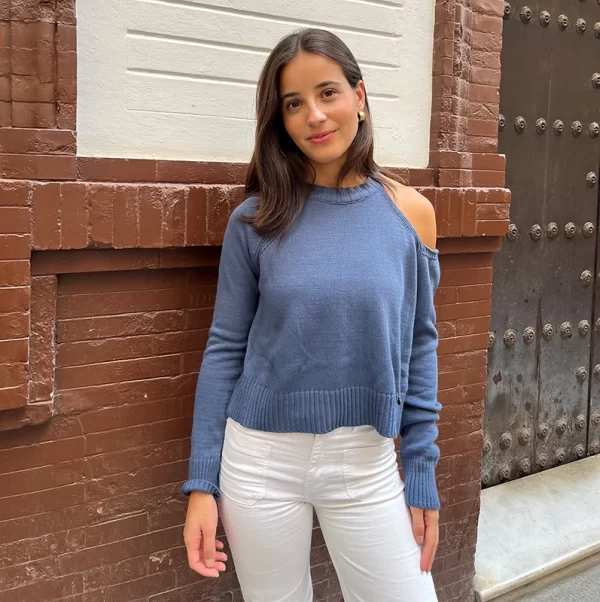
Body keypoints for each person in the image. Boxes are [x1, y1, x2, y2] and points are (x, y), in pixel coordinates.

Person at [182, 27, 441, 602]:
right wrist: (202, 484)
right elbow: (225, 346)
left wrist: (421, 473)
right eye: (293, 104)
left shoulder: (410, 214)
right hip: (258, 461)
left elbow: (420, 346)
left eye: (328, 93)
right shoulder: (255, 220)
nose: (314, 116)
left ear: (360, 96)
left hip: (366, 459)